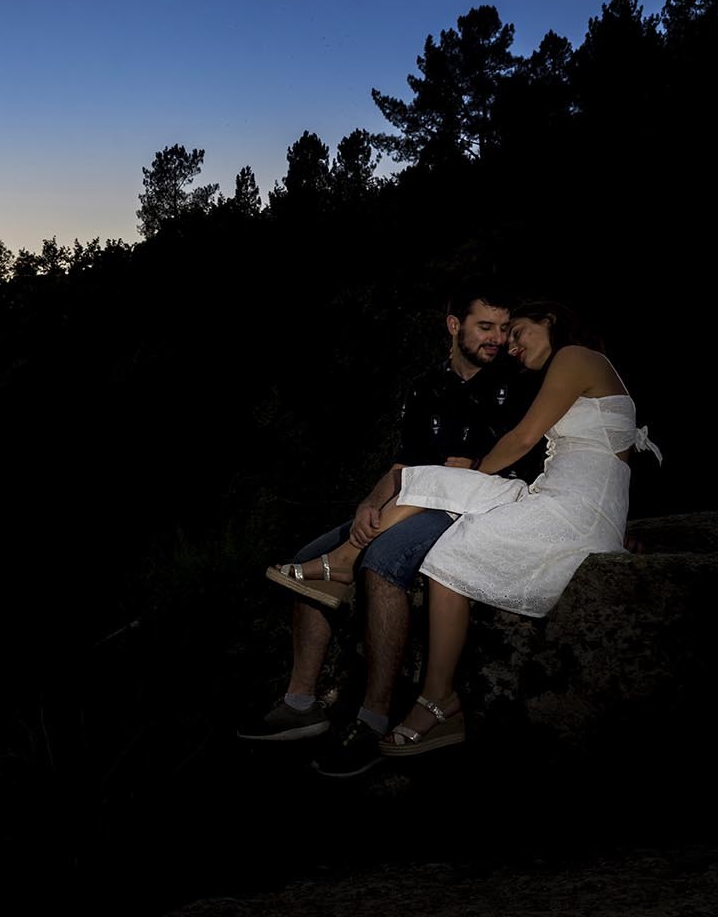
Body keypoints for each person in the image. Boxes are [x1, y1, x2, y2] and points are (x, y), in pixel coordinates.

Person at [283, 301, 661, 756]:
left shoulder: (575, 356)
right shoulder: (562, 368)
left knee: (450, 552)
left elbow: (523, 439)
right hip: (553, 497)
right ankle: (343, 563)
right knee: (432, 477)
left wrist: (480, 467)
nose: (512, 346)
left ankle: (438, 700)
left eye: (518, 332)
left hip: (572, 510)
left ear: (551, 321)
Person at [238, 285, 544, 778]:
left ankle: (373, 719)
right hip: (410, 495)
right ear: (453, 325)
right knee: (307, 558)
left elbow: (529, 455)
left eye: (504, 329)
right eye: (485, 327)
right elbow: (403, 464)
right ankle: (300, 702)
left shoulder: (518, 381)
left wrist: (479, 466)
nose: (496, 339)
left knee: (383, 562)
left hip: (470, 505)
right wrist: (368, 502)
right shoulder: (426, 387)